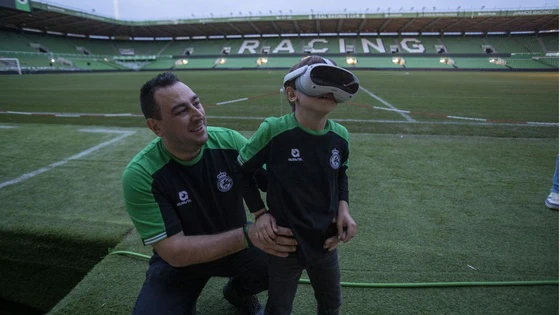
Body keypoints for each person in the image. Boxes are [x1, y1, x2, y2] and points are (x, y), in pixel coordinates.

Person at [121, 72, 300, 315]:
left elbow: (279, 184)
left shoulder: (229, 143)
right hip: (179, 263)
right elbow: (174, 251)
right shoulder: (142, 174)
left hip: (236, 247)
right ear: (156, 126)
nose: (198, 115)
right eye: (182, 111)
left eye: (196, 103)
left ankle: (237, 293)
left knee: (285, 257)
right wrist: (248, 235)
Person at [236, 56, 358, 315]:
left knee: (332, 302)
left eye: (334, 82)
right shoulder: (274, 130)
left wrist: (343, 209)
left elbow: (340, 175)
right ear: (292, 93)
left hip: (326, 242)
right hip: (285, 243)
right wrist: (259, 213)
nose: (328, 90)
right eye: (319, 80)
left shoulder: (340, 137)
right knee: (279, 308)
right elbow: (242, 171)